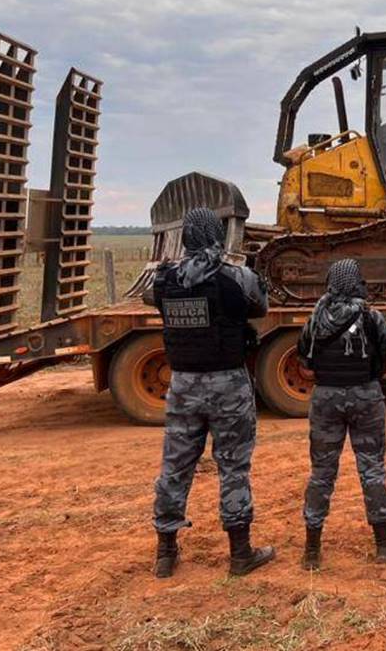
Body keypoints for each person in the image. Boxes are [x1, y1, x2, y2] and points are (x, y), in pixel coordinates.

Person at [146, 207, 274, 578]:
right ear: (218, 235)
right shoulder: (237, 277)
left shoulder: (165, 279)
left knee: (175, 466)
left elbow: (158, 305)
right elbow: (260, 308)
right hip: (227, 383)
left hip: (183, 383)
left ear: (186, 237)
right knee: (233, 466)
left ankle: (166, 554)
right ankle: (240, 553)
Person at [297, 259, 386, 570]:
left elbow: (304, 365)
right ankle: (383, 545)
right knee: (372, 469)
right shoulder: (372, 317)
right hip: (366, 395)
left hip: (326, 397)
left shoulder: (315, 319)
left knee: (321, 474)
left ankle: (312, 550)